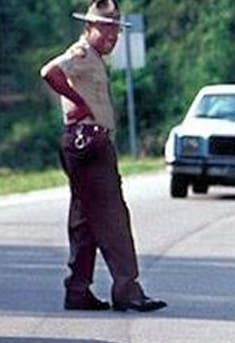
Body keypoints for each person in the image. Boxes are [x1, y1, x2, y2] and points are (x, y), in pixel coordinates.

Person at [40, 0, 166, 312]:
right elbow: (50, 72)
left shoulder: (94, 57)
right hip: (88, 142)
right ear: (89, 27)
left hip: (85, 143)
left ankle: (78, 289)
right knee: (112, 217)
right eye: (105, 27)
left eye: (115, 29)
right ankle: (128, 290)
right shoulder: (81, 53)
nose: (112, 35)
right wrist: (77, 102)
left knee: (84, 221)